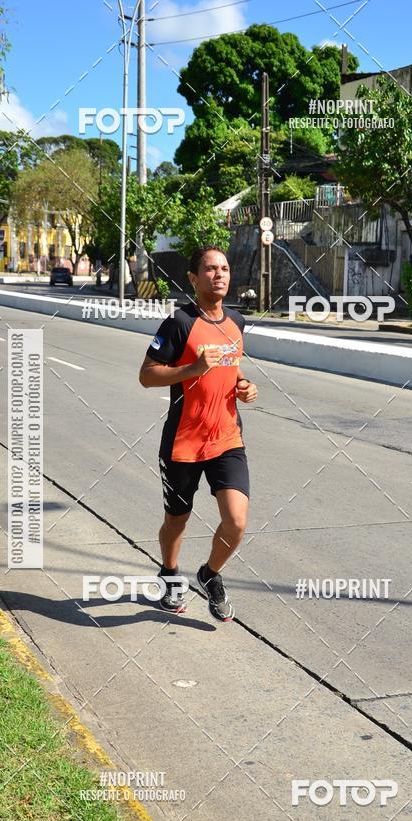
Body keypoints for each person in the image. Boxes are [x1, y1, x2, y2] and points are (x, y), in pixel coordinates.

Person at [139, 246, 257, 622]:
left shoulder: (236, 322)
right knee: (177, 519)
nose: (218, 274)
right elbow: (146, 375)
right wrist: (190, 368)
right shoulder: (179, 323)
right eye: (209, 269)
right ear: (193, 278)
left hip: (226, 438)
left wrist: (245, 385)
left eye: (224, 267)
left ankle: (209, 573)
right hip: (183, 443)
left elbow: (232, 370)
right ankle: (170, 575)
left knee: (237, 521)